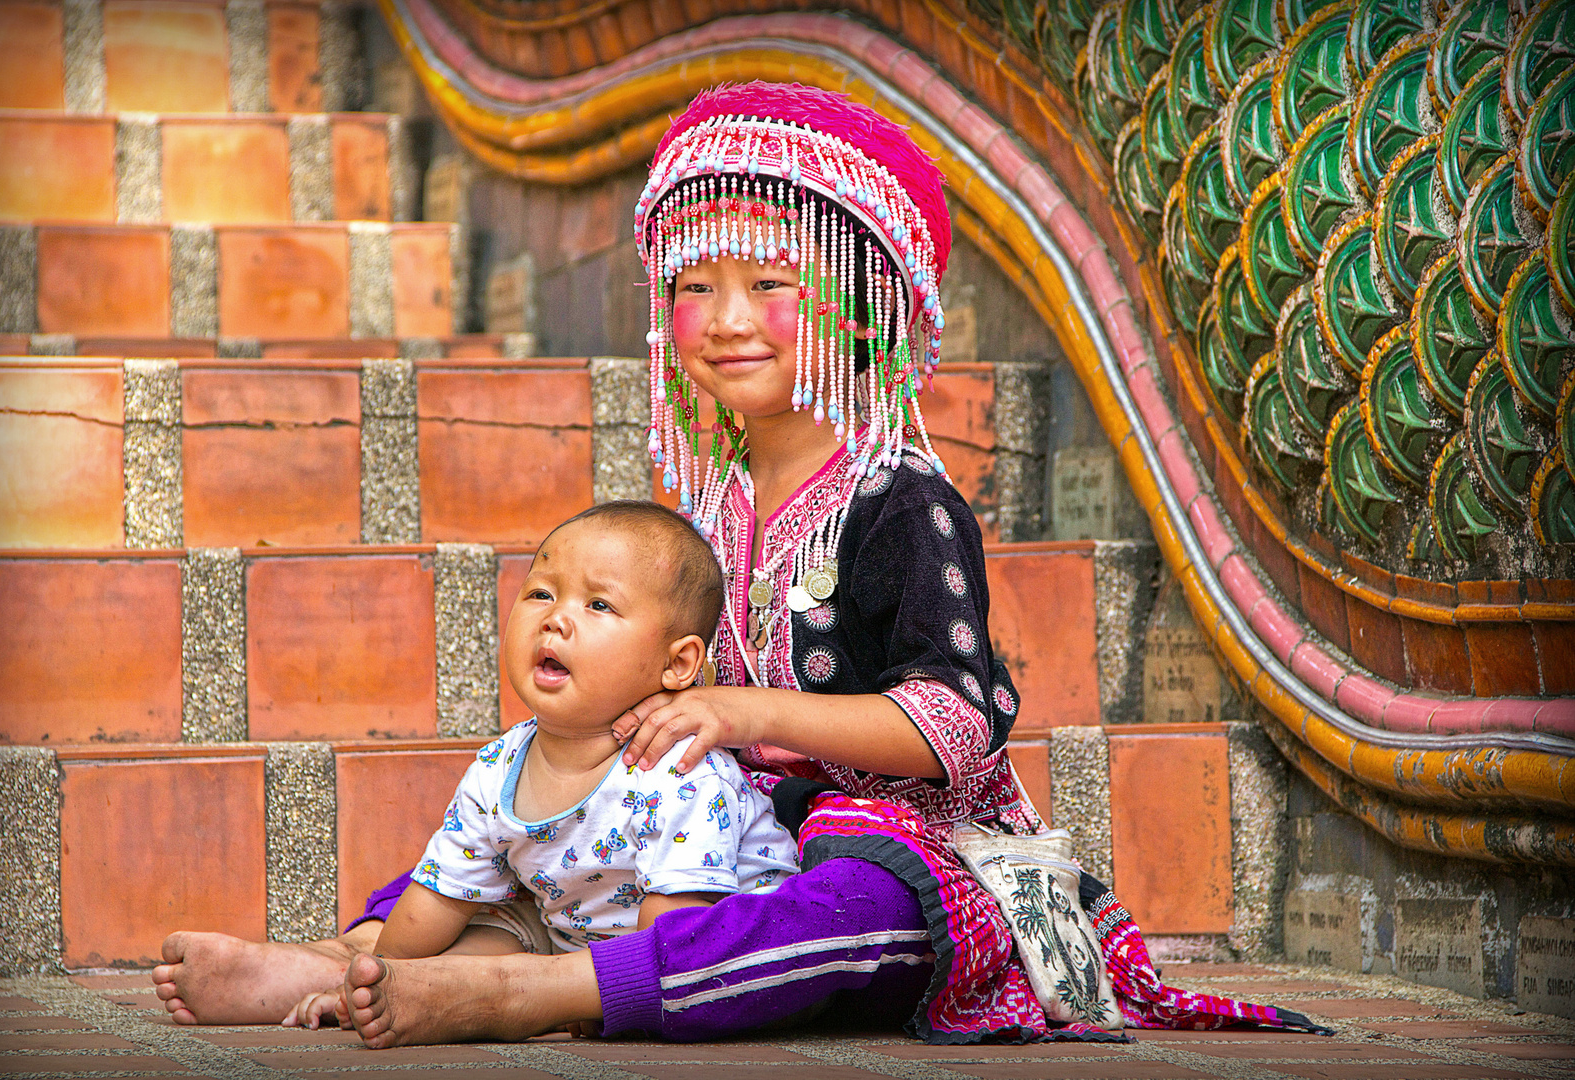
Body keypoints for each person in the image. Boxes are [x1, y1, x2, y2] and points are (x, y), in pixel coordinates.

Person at [154, 81, 1323, 1049]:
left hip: (887, 840)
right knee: (530, 829)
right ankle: (339, 960)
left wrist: (728, 706)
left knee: (856, 917)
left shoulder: (899, 498)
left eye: (773, 281)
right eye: (695, 285)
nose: (725, 317)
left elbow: (956, 728)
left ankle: (529, 990)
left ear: (864, 302)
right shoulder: (702, 504)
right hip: (711, 828)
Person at [278, 501, 799, 1031]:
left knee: (690, 978)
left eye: (598, 604)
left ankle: (497, 1001)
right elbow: (436, 899)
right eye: (541, 594)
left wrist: (601, 999)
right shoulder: (499, 766)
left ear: (677, 664)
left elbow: (674, 935)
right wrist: (376, 978)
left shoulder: (680, 773)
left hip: (710, 965)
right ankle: (389, 989)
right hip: (569, 953)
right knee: (488, 929)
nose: (556, 618)